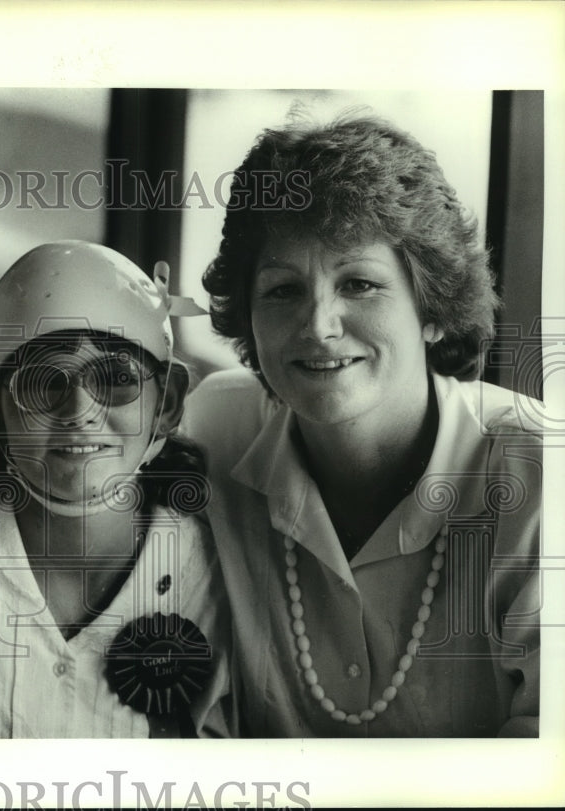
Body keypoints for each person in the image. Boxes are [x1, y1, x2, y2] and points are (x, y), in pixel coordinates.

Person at [184, 114, 541, 737]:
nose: (319, 325)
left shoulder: (536, 470)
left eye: (360, 284)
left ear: (433, 310)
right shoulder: (216, 430)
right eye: (281, 290)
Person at [0, 240, 231, 738]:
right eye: (42, 381)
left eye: (117, 378)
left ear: (168, 403)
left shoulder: (221, 569)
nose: (79, 412)